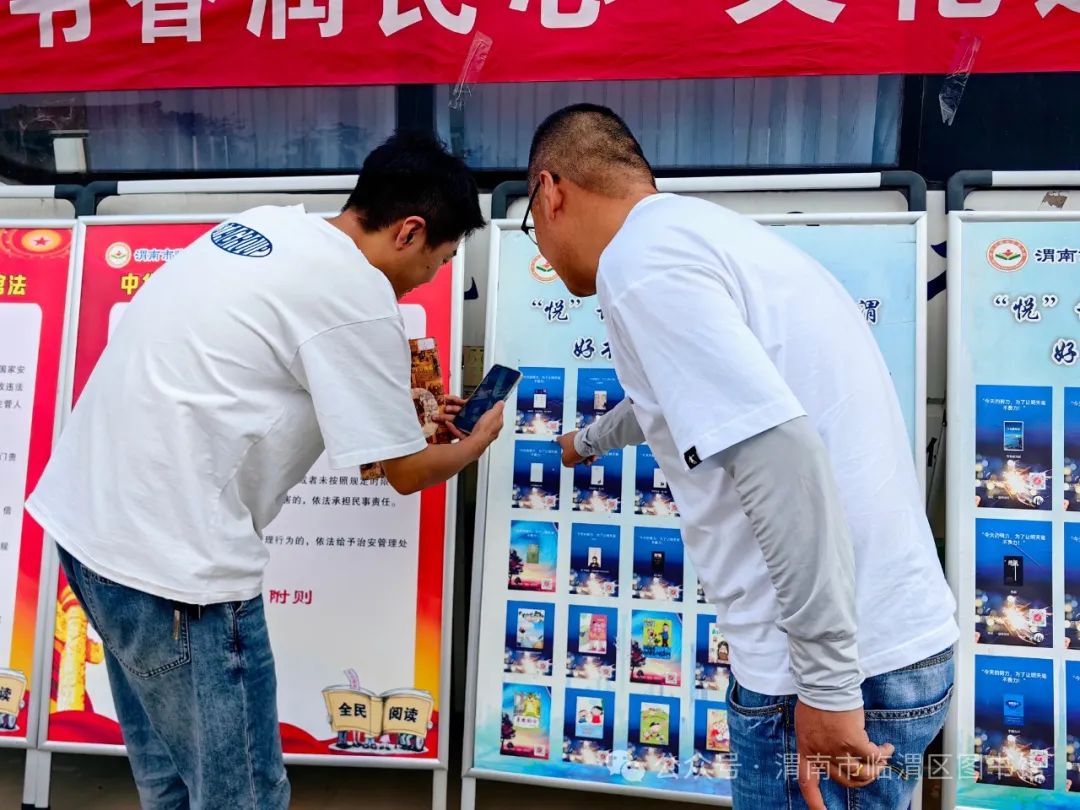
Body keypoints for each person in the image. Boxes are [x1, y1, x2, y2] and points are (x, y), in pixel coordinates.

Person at [26, 132, 504, 810]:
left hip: (88, 535)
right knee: (243, 794)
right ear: (410, 231)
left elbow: (271, 358)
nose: (432, 276)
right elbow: (401, 470)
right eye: (442, 258)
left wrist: (406, 411)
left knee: (171, 780)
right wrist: (476, 442)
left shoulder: (266, 227)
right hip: (177, 578)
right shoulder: (359, 295)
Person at [527, 104, 957, 810]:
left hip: (832, 671)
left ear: (550, 192)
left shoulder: (639, 266)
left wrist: (826, 685)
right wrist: (588, 442)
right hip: (891, 639)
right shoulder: (700, 235)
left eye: (532, 225)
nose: (541, 247)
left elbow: (781, 458)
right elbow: (681, 396)